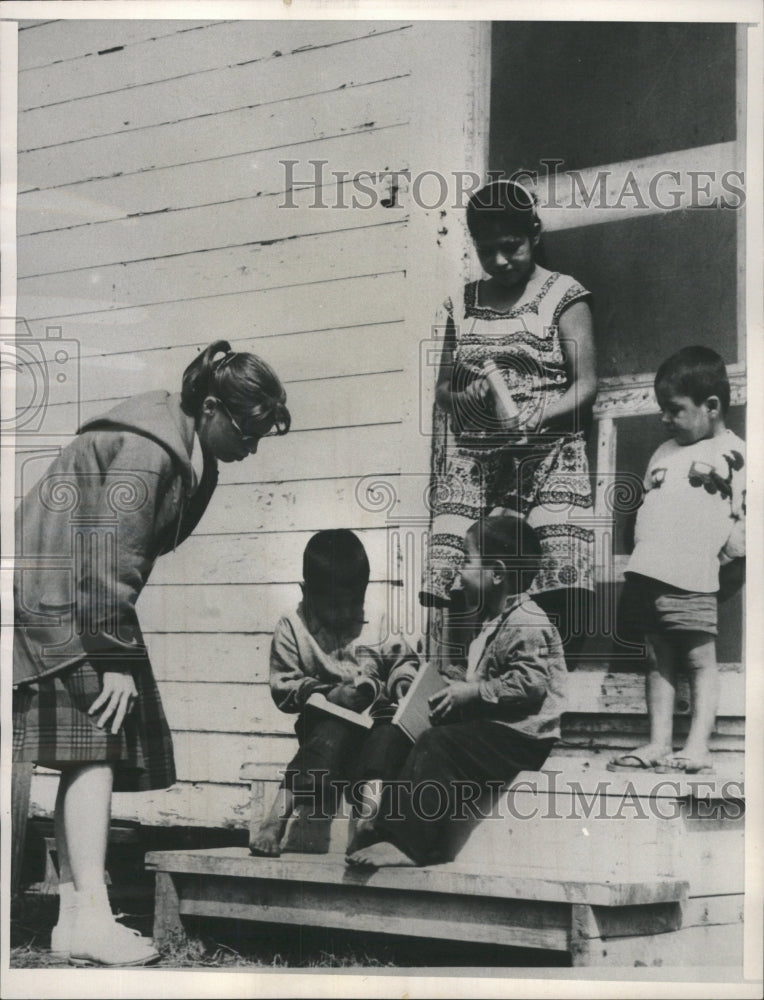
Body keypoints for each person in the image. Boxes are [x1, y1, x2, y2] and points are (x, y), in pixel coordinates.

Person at [13, 340, 290, 966]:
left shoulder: (190, 452)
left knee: (98, 745)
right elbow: (109, 555)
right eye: (248, 430)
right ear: (213, 407)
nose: (252, 446)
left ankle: (76, 916)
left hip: (79, 596)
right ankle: (88, 915)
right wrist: (113, 657)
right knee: (97, 744)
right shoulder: (149, 449)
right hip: (55, 598)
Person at [421, 178, 597, 668]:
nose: (500, 261)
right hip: (476, 461)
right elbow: (442, 390)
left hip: (546, 456)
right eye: (487, 251)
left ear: (534, 232)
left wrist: (544, 412)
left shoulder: (564, 294)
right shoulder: (465, 303)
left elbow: (586, 385)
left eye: (511, 246)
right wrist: (466, 395)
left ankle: (536, 685)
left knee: (550, 577)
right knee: (463, 575)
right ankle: (455, 679)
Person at [347, 515, 566, 868]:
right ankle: (373, 814)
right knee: (397, 726)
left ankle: (406, 843)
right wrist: (443, 683)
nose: (459, 571)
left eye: (466, 560)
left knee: (440, 743)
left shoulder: (528, 621)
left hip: (521, 739)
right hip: (493, 731)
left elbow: (529, 684)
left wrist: (472, 693)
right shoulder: (492, 620)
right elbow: (478, 673)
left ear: (496, 573)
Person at [609, 347, 745, 775]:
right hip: (649, 573)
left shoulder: (736, 453)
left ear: (712, 407)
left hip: (694, 576)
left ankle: (698, 747)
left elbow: (743, 522)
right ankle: (657, 743)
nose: (664, 419)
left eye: (674, 410)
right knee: (657, 660)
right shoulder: (665, 451)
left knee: (700, 662)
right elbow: (652, 504)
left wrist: (723, 563)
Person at [249, 529, 419, 858]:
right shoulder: (292, 626)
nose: (345, 614)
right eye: (333, 606)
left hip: (373, 725)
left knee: (386, 736)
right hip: (325, 725)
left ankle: (369, 817)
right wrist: (328, 696)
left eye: (354, 603)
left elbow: (402, 661)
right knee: (327, 736)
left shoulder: (376, 621)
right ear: (306, 592)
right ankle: (275, 819)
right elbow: (283, 684)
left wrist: (402, 683)